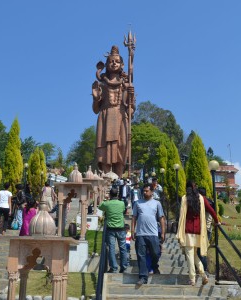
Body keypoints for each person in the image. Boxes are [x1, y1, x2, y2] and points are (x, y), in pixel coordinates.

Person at [92, 45, 135, 176]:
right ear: (106, 64)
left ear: (122, 64)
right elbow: (95, 110)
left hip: (121, 116)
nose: (114, 63)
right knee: (105, 150)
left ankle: (120, 179)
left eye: (117, 61)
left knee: (121, 147)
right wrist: (95, 99)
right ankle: (106, 179)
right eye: (111, 61)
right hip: (105, 116)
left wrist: (131, 96)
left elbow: (131, 110)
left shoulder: (126, 85)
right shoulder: (101, 84)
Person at [176, 181, 219, 286]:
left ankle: (192, 279)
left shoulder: (185, 198)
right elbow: (211, 210)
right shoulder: (201, 198)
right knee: (194, 255)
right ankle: (203, 275)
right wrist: (217, 221)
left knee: (190, 255)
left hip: (188, 231)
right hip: (199, 231)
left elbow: (181, 215)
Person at [131, 184, 166, 285]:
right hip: (140, 234)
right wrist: (133, 230)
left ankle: (155, 266)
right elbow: (134, 218)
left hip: (153, 233)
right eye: (144, 191)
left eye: (147, 191)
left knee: (155, 253)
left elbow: (161, 218)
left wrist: (163, 232)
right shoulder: (137, 203)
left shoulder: (157, 203)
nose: (145, 193)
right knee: (141, 255)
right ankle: (143, 277)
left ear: (152, 192)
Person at [98, 187, 128, 273]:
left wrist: (106, 198)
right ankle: (124, 266)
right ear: (117, 195)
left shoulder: (107, 204)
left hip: (111, 229)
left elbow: (100, 206)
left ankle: (114, 267)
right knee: (123, 248)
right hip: (121, 229)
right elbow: (123, 210)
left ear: (110, 194)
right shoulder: (121, 203)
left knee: (111, 248)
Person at [197, 187, 214, 272]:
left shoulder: (202, 202)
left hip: (202, 229)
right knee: (202, 250)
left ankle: (203, 269)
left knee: (200, 251)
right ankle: (202, 269)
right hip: (208, 229)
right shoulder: (210, 201)